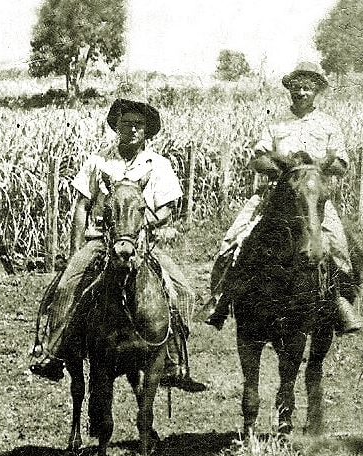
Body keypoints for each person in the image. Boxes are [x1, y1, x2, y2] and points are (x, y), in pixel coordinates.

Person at [30, 98, 206, 393]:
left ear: (147, 131)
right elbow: (81, 206)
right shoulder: (98, 161)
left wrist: (144, 224)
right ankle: (53, 352)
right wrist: (76, 248)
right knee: (65, 287)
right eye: (127, 124)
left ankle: (174, 361)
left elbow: (165, 210)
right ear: (117, 126)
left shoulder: (158, 165)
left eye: (139, 125)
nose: (133, 129)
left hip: (142, 244)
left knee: (182, 292)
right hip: (100, 240)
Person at [202, 61, 362, 333]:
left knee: (338, 244)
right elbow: (257, 160)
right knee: (234, 238)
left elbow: (342, 165)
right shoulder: (276, 123)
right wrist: (280, 164)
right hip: (274, 196)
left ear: (317, 91)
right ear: (289, 89)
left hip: (313, 199)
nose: (301, 92)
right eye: (296, 87)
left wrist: (316, 165)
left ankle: (341, 304)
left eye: (307, 87)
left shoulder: (328, 124)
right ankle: (219, 299)